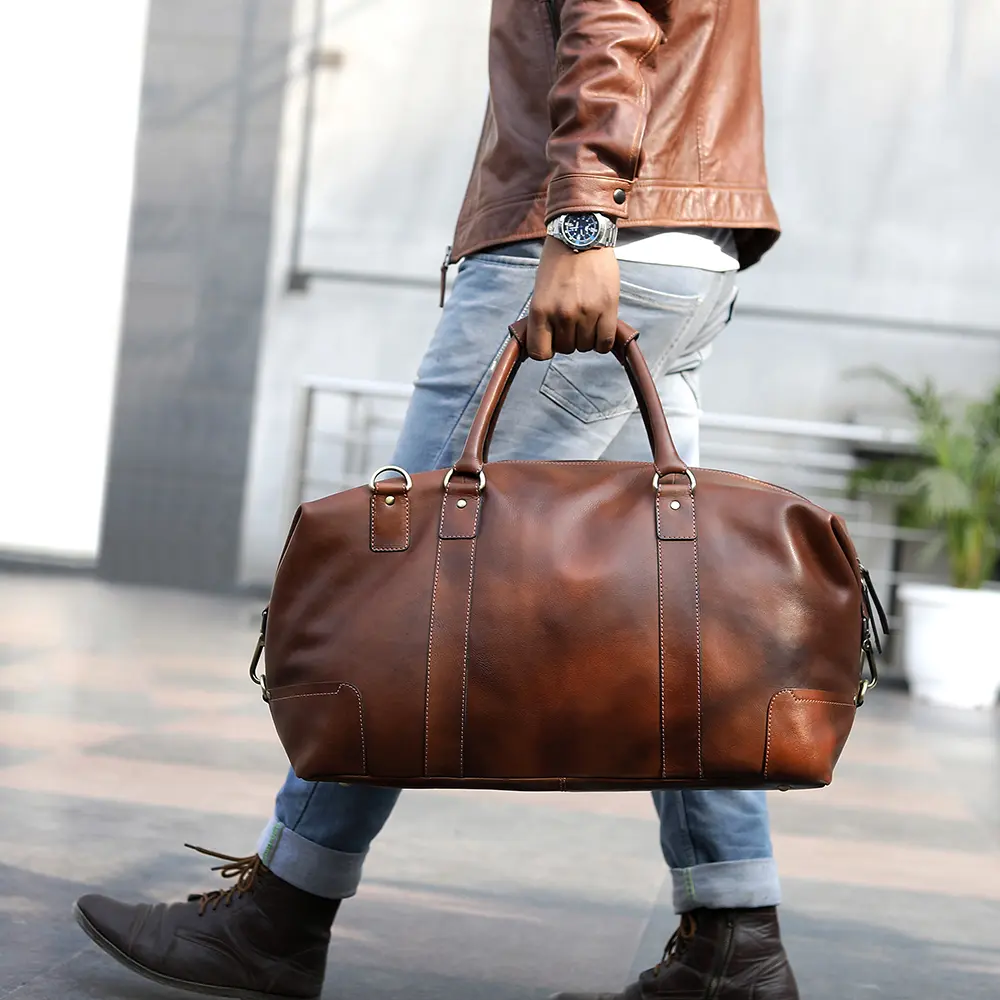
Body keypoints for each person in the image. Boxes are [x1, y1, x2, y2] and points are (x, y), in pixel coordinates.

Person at [73, 2, 799, 998]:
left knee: (403, 582)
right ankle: (733, 933)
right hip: (686, 242)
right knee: (675, 616)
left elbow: (610, 14)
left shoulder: (589, 221)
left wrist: (579, 217)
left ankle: (282, 913)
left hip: (606, 240)